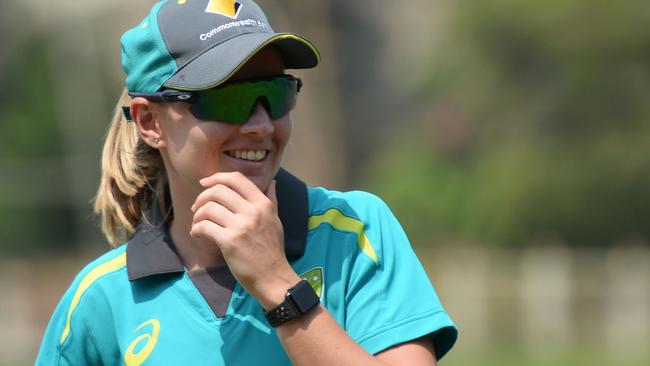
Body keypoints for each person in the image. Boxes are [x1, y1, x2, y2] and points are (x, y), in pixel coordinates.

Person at [36, 0, 457, 365]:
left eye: (274, 93)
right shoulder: (100, 299)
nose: (259, 124)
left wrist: (277, 283)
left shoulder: (355, 231)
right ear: (149, 122)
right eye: (228, 98)